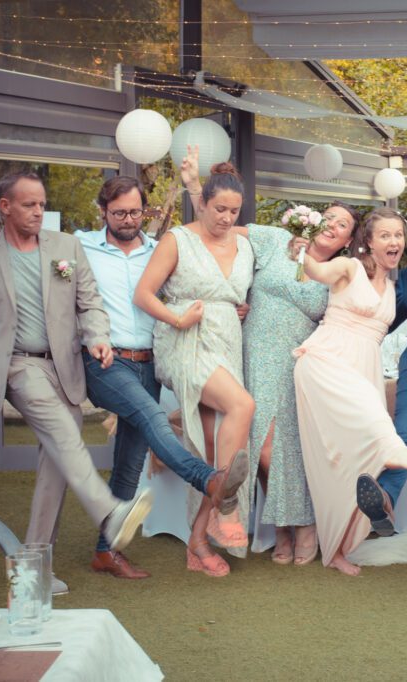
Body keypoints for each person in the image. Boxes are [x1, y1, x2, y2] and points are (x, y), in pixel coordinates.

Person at [0, 176, 250, 580]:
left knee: (130, 460)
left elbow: (213, 246)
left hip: (149, 360)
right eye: (119, 213)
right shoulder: (79, 246)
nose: (129, 219)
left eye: (136, 212)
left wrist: (229, 304)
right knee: (151, 416)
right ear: (103, 212)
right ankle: (208, 480)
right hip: (105, 363)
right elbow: (30, 247)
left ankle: (106, 552)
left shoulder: (162, 247)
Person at [0, 171, 152, 579]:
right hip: (18, 366)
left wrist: (97, 337)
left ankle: (34, 565)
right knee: (64, 431)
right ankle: (109, 512)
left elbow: (89, 302)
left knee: (57, 460)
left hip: (64, 365)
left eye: (42, 204)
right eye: (29, 204)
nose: (38, 211)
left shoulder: (66, 247)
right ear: (5, 207)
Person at [179, 146, 361, 566]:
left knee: (286, 448)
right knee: (261, 445)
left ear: (348, 240)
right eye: (329, 218)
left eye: (343, 225)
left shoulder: (340, 274)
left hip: (298, 363)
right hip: (253, 352)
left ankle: (302, 525)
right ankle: (285, 526)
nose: (333, 226)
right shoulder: (276, 240)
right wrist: (193, 185)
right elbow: (219, 226)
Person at [292, 207, 407, 576]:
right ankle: (396, 451)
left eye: (398, 235)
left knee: (345, 462)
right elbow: (317, 271)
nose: (394, 241)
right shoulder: (349, 268)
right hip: (328, 359)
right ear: (369, 242)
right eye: (385, 235)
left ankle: (338, 549)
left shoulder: (392, 287)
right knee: (374, 420)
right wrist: (302, 249)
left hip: (364, 367)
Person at [133, 162, 255, 577]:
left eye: (234, 211)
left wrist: (239, 306)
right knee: (242, 405)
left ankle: (198, 541)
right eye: (219, 209)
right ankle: (227, 505)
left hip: (226, 343)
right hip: (185, 340)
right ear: (201, 203)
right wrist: (178, 319)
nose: (226, 218)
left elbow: (235, 290)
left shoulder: (244, 244)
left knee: (209, 453)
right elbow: (144, 294)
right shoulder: (178, 239)